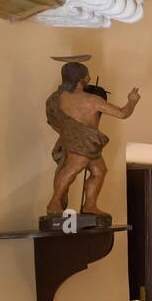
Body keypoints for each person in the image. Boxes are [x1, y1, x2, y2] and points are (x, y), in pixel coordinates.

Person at [44, 61, 140, 217]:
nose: (89, 77)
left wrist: (68, 134)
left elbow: (53, 122)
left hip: (83, 142)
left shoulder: (56, 98)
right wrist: (132, 101)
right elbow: (122, 113)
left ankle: (89, 205)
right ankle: (54, 203)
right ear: (82, 78)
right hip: (83, 141)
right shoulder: (92, 100)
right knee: (72, 169)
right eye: (86, 74)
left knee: (99, 171)